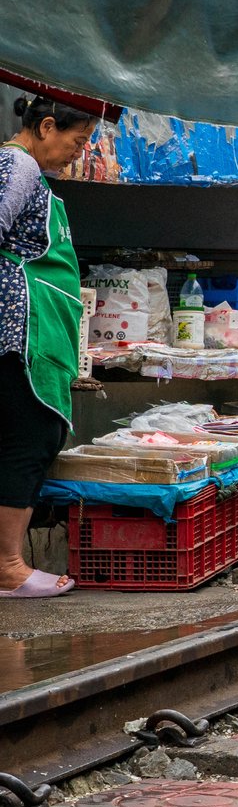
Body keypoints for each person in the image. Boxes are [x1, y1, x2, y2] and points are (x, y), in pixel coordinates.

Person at [0, 96, 110, 597]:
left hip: (38, 336)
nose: (77, 152)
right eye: (77, 140)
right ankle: (7, 566)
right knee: (28, 440)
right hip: (23, 335)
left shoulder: (33, 176)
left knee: (29, 440)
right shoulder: (17, 165)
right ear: (46, 126)